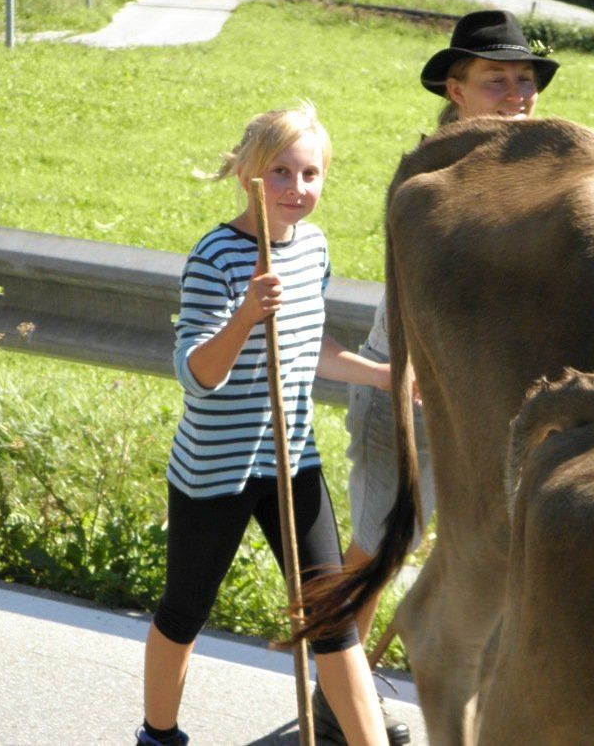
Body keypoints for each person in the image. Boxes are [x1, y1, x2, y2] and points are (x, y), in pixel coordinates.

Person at [137, 103, 410, 746]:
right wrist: (244, 316)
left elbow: (307, 345)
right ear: (247, 174)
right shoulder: (216, 256)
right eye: (280, 172)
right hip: (215, 470)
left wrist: (384, 375)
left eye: (310, 174)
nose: (296, 187)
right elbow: (197, 372)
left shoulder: (312, 247)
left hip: (291, 459)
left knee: (332, 615)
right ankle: (158, 736)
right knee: (184, 611)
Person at [339, 9, 560, 654]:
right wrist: (409, 372)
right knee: (381, 548)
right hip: (408, 383)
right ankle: (334, 686)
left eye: (525, 79)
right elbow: (418, 290)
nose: (517, 95)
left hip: (483, 396)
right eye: (497, 80)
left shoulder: (539, 171)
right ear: (455, 91)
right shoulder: (433, 178)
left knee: (471, 551)